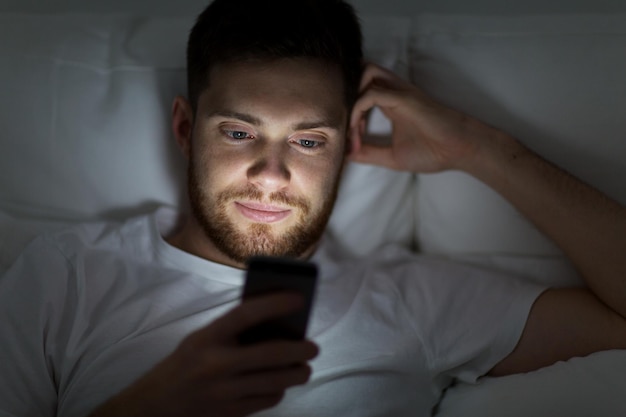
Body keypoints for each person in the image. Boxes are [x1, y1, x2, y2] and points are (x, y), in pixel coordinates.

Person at [1, 0, 625, 416]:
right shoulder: (68, 275)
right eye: (240, 133)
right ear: (187, 129)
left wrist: (483, 150)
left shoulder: (414, 303)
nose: (271, 174)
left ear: (346, 146)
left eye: (307, 141)